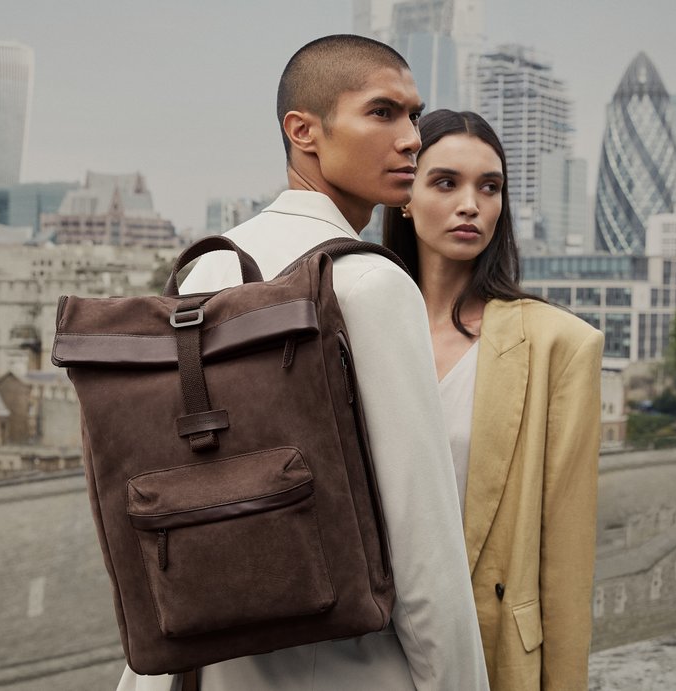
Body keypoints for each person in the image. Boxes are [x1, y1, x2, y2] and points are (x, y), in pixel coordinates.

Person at [117, 37, 489, 691]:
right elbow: (425, 549)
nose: (411, 139)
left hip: (206, 671)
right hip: (347, 670)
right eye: (383, 113)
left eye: (414, 115)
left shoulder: (210, 262)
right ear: (303, 130)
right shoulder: (371, 283)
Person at [384, 110, 603, 691]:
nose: (470, 204)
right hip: (361, 645)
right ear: (405, 196)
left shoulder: (560, 345)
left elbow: (566, 558)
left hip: (486, 645)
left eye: (490, 186)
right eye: (446, 182)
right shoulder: (352, 330)